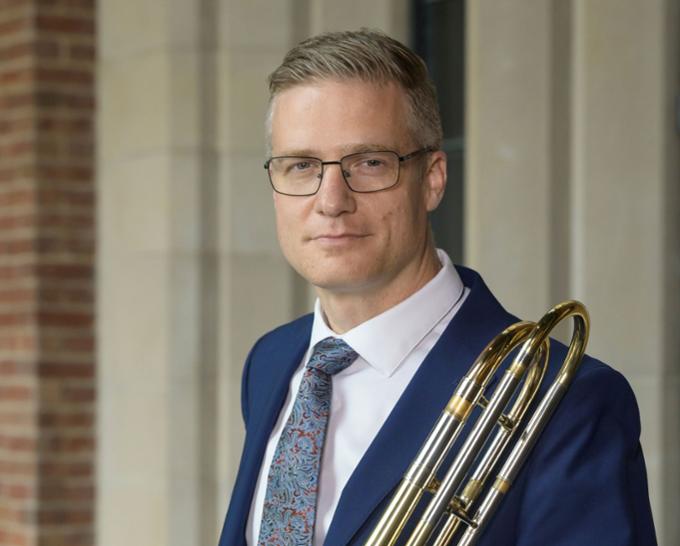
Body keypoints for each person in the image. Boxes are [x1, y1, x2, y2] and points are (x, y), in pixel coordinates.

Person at [219, 29, 656, 546]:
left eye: (369, 163)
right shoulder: (271, 362)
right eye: (301, 166)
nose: (331, 199)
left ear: (432, 178)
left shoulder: (567, 400)